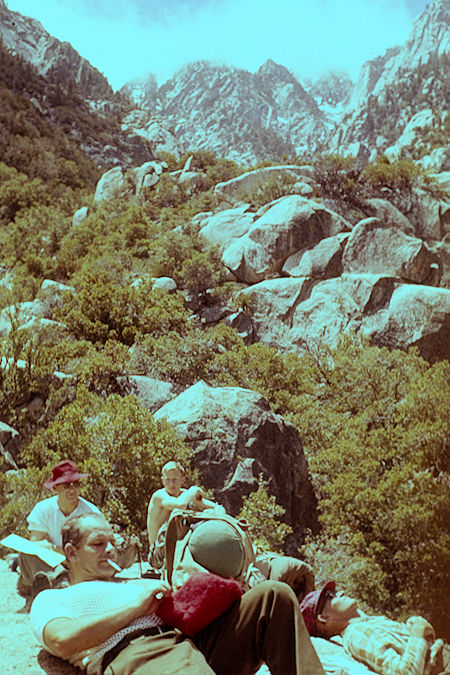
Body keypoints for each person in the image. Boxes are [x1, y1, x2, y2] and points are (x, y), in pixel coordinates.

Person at [30, 512, 326, 675]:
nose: (111, 550)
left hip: (190, 643)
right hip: (136, 653)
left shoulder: (132, 581)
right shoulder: (55, 598)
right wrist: (136, 609)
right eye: (98, 544)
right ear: (71, 552)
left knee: (273, 596)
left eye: (112, 542)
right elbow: (63, 640)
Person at [300, 581, 450, 675]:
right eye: (330, 595)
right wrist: (418, 634)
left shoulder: (366, 622)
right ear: (323, 617)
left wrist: (413, 625)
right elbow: (403, 672)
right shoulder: (357, 634)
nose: (340, 593)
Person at [17, 459, 102, 601]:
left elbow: (93, 550)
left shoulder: (91, 513)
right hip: (52, 564)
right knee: (27, 552)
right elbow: (36, 544)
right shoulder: (43, 509)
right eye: (67, 485)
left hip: (78, 563)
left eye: (76, 484)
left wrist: (54, 549)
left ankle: (54, 584)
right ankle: (56, 582)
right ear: (55, 488)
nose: (73, 489)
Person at [147, 461, 225, 551]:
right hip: (159, 551)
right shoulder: (159, 496)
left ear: (182, 480)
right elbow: (179, 505)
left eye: (175, 480)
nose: (171, 484)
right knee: (179, 515)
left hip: (178, 546)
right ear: (162, 480)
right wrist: (194, 489)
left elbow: (216, 507)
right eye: (167, 480)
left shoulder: (185, 495)